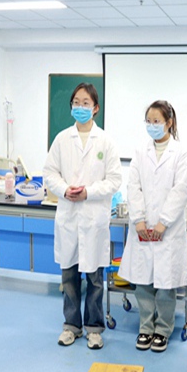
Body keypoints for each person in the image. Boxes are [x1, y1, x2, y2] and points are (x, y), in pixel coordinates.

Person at [43, 83, 122, 350]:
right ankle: (71, 326)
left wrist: (88, 192)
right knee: (69, 277)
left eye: (85, 103)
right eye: (76, 102)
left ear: (95, 108)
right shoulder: (62, 139)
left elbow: (114, 179)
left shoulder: (106, 142)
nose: (80, 107)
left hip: (93, 219)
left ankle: (94, 328)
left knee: (95, 279)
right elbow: (49, 173)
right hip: (69, 217)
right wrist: (65, 190)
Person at [118, 101, 187, 353]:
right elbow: (133, 186)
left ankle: (163, 329)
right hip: (142, 227)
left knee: (165, 284)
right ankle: (146, 327)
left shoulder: (181, 153)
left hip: (167, 229)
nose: (152, 126)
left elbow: (181, 190)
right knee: (143, 282)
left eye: (156, 121)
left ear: (169, 122)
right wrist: (138, 219)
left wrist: (163, 222)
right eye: (148, 121)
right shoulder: (141, 151)